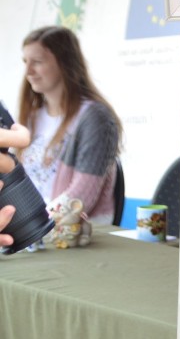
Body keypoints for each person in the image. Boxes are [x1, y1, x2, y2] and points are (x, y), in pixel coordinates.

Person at [14, 26, 122, 225]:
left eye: (37, 62)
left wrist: (32, 226)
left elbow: (80, 199)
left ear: (64, 63)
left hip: (77, 237)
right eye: (25, 62)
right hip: (34, 234)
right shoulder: (30, 118)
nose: (28, 71)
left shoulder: (94, 118)